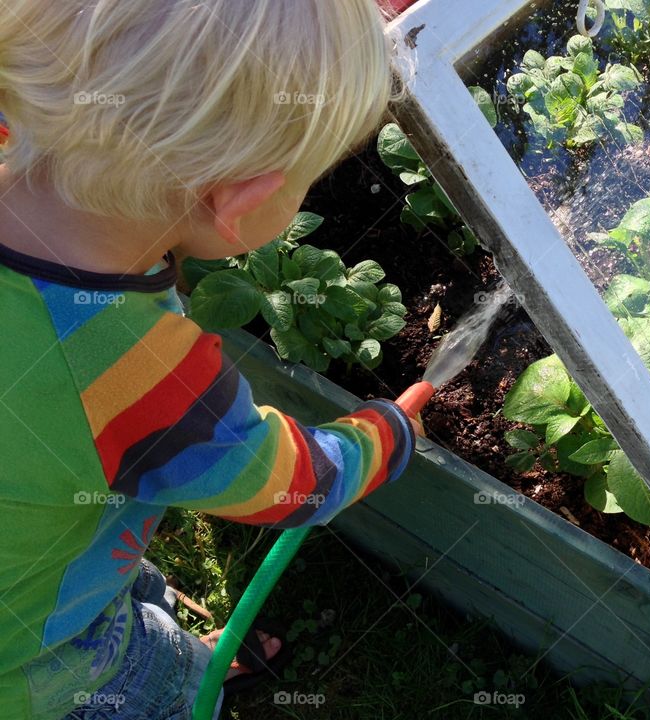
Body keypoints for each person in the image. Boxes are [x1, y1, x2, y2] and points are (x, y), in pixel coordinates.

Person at [0, 1, 415, 717]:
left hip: (31, 546)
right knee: (146, 688)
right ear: (239, 200)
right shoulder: (131, 368)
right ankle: (181, 678)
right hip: (39, 664)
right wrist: (384, 440)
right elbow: (286, 483)